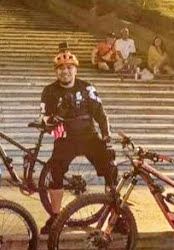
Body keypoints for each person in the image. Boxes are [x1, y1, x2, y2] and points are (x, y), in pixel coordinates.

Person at [39, 50, 119, 216]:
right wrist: (59, 115)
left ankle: (115, 215)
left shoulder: (86, 87)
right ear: (56, 71)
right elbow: (45, 121)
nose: (65, 71)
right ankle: (55, 217)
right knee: (55, 174)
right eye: (61, 68)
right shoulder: (49, 91)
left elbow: (100, 114)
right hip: (65, 139)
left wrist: (106, 135)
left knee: (110, 169)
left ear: (76, 69)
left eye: (69, 67)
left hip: (89, 136)